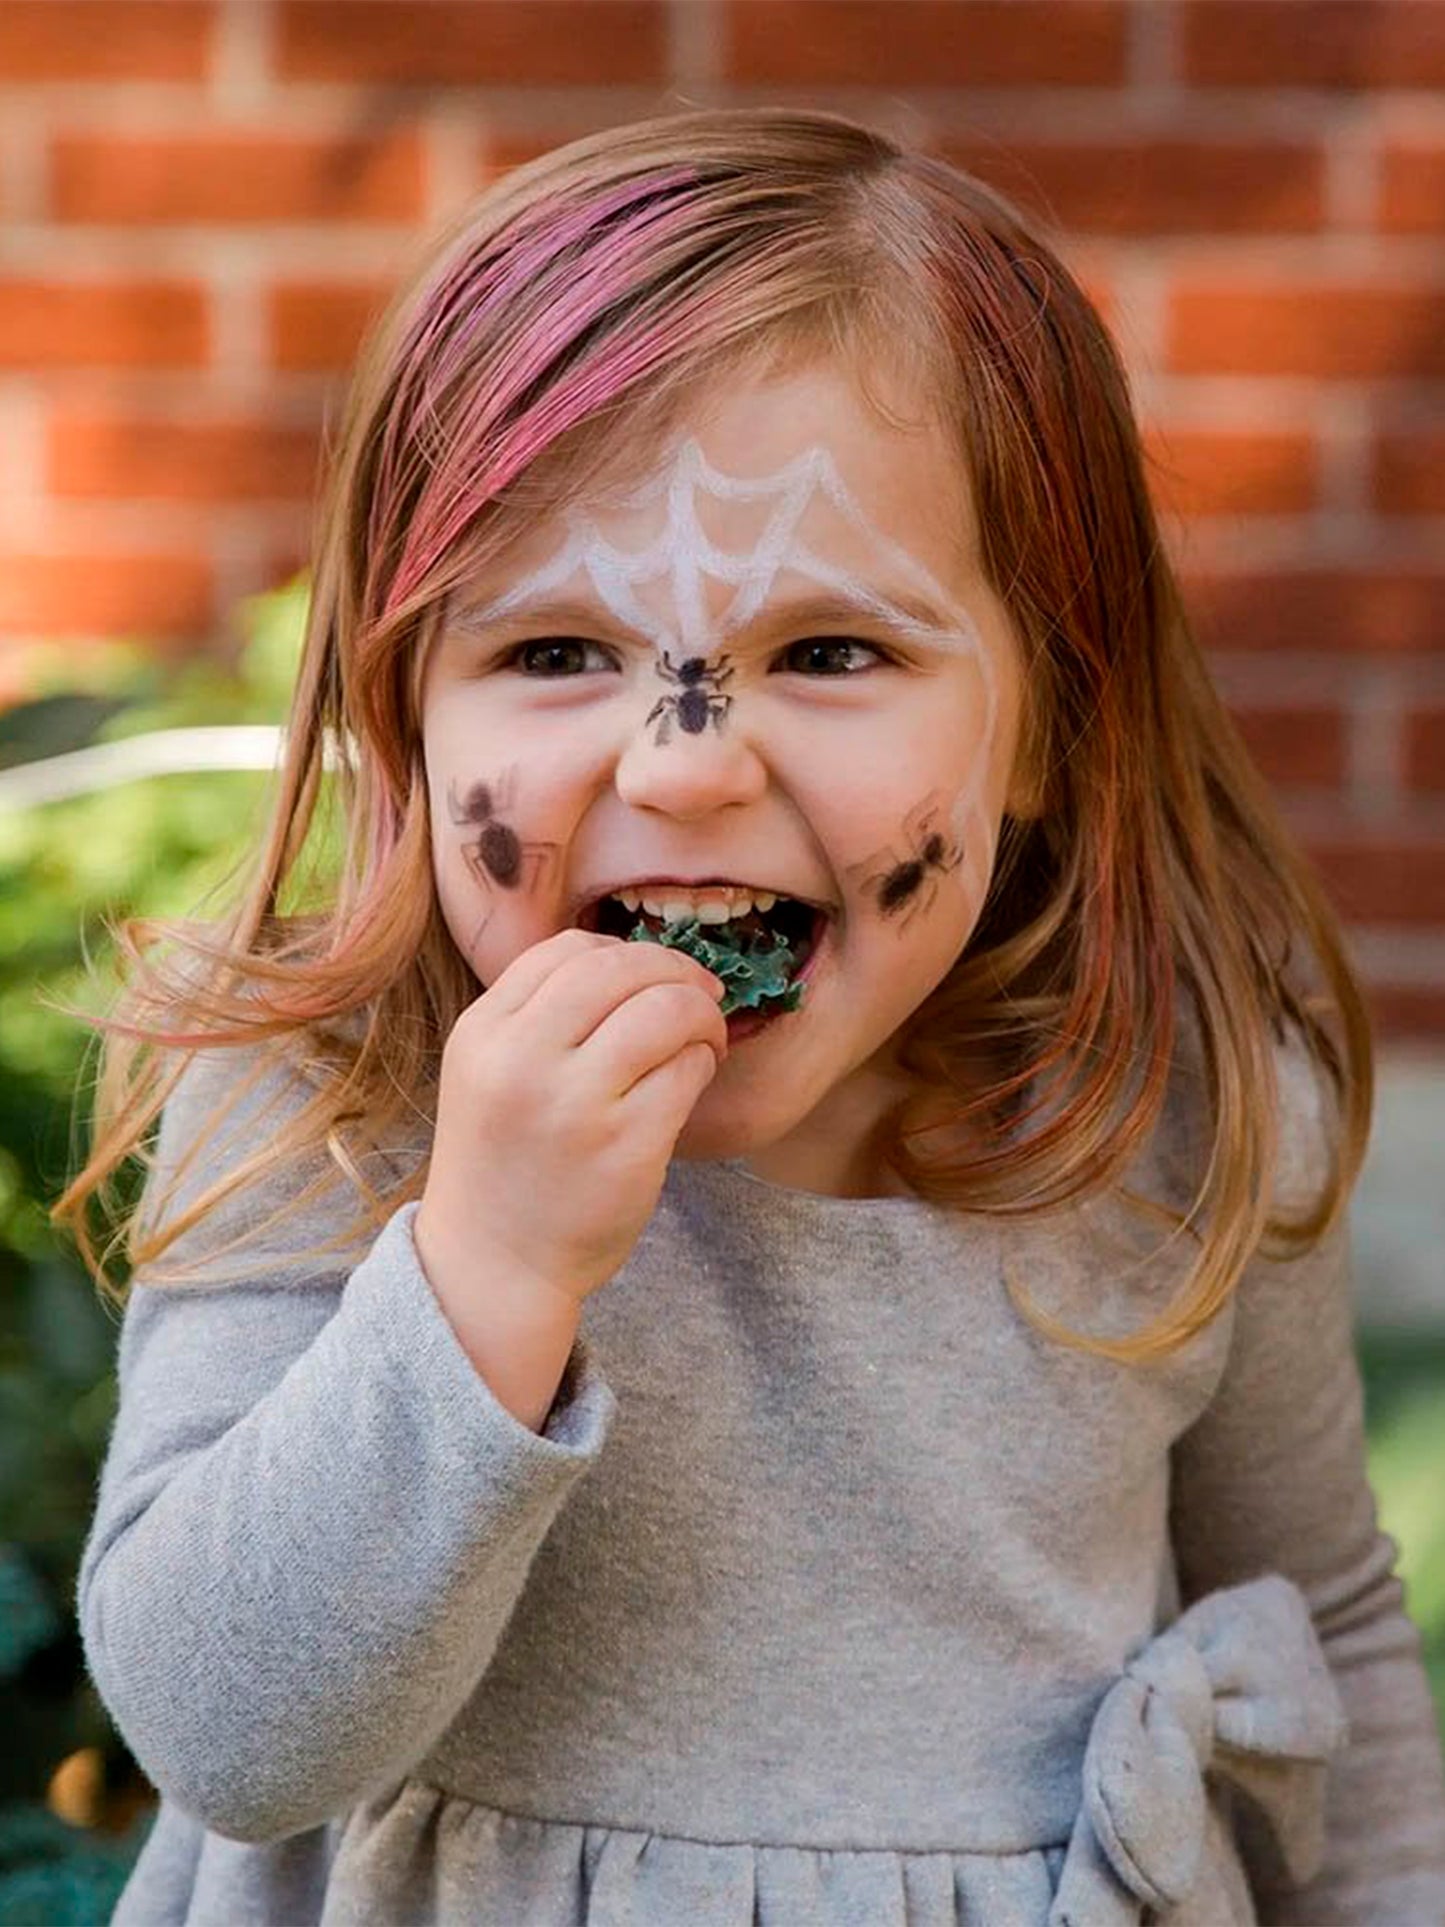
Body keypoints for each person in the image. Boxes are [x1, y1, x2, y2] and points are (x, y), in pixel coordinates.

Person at [56, 106, 1445, 1925]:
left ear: (1050, 721)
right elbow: (226, 1738)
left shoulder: (1177, 1120)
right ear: (404, 714)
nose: (681, 764)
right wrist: (483, 1275)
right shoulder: (338, 1098)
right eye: (554, 652)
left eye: (831, 652)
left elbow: (1325, 1631)